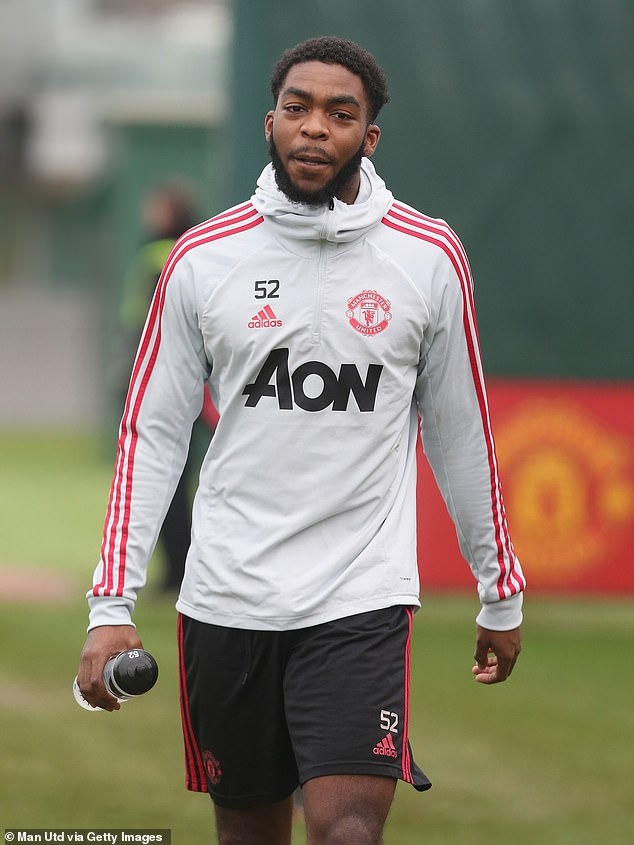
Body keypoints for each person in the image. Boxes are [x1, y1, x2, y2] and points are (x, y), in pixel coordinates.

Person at [77, 36, 525, 845]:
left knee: (346, 829)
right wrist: (111, 604)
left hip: (361, 598)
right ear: (270, 122)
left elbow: (462, 432)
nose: (315, 127)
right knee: (249, 833)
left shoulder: (428, 257)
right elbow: (152, 434)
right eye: (297, 107)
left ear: (369, 137)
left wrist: (500, 587)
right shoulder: (202, 258)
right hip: (226, 597)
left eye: (339, 113)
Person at [108, 182, 217, 591]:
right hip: (191, 383)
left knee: (166, 475)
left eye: (156, 207)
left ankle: (178, 570)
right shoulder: (193, 252)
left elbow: (157, 329)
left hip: (172, 382)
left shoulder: (168, 256)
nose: (148, 214)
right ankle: (183, 567)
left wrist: (130, 372)